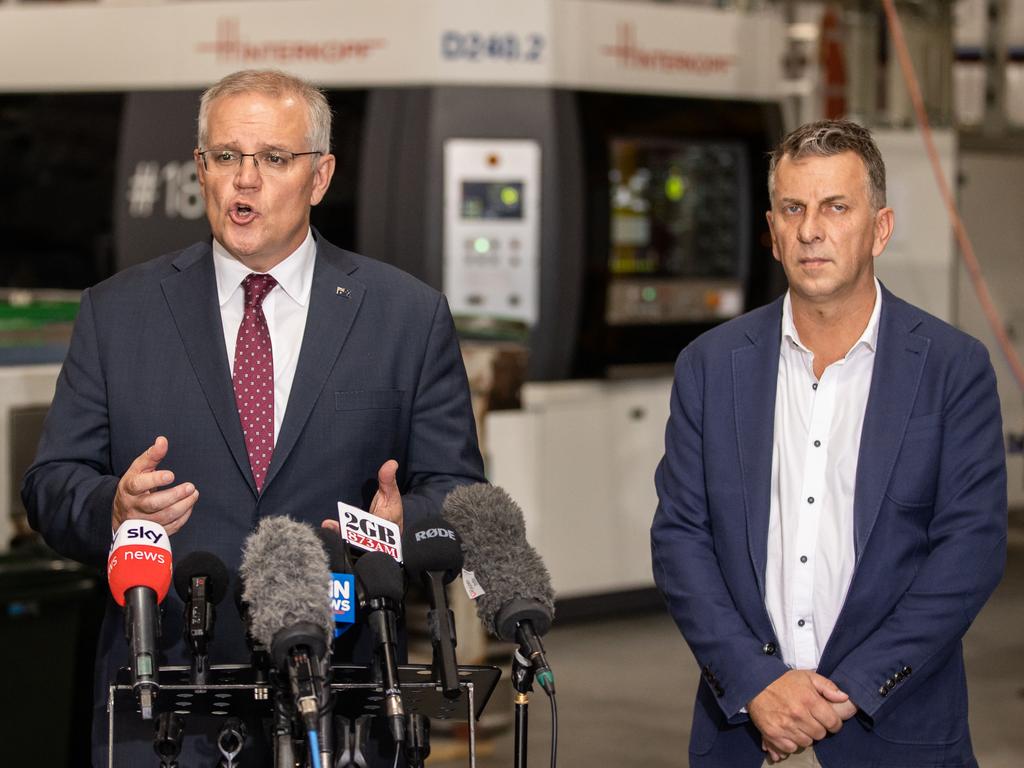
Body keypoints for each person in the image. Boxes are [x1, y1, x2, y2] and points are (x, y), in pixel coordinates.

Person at [22, 69, 485, 766]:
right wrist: (113, 506)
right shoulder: (117, 314)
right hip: (160, 700)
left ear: (320, 176)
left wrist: (397, 530)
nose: (245, 180)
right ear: (201, 170)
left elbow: (456, 496)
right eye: (226, 157)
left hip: (340, 695)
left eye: (273, 159)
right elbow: (51, 486)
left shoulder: (405, 316)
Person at [651, 119, 1006, 767]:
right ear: (774, 230)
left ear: (880, 227)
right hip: (744, 734)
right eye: (794, 208)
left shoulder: (952, 367)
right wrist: (756, 683)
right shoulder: (710, 365)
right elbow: (681, 538)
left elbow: (969, 552)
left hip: (896, 731)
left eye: (836, 207)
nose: (811, 229)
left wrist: (853, 689)